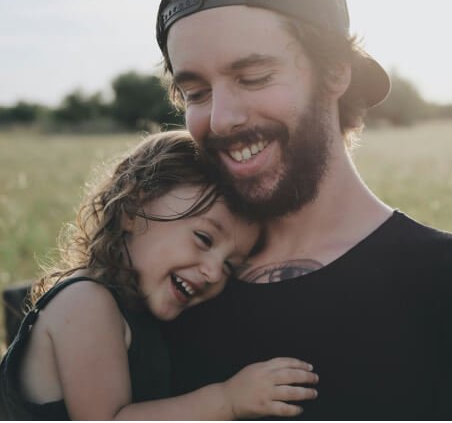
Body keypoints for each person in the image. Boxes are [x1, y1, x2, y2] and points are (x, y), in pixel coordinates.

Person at [157, 0, 452, 419]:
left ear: (335, 72)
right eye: (196, 93)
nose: (221, 118)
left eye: (253, 78)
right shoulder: (175, 282)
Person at [0, 131, 319, 420]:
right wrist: (228, 400)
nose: (212, 272)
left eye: (228, 266)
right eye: (204, 239)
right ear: (133, 207)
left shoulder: (138, 314)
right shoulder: (85, 303)